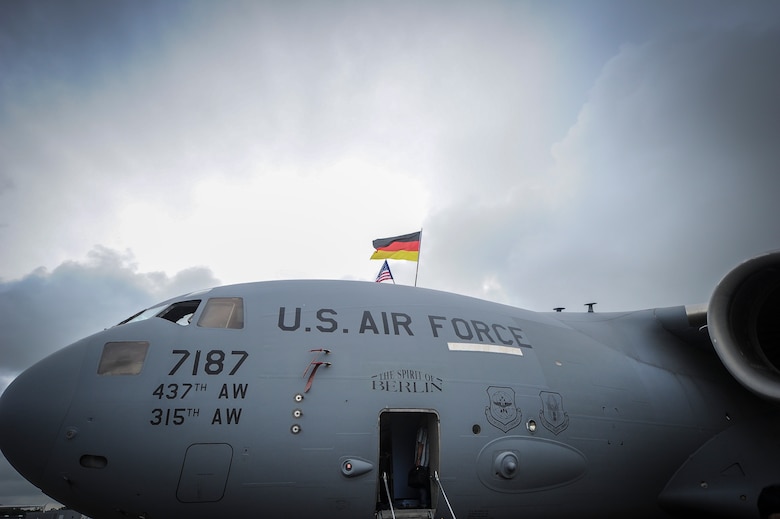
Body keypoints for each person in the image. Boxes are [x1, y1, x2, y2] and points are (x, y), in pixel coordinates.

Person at [414, 424, 430, 507]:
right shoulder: (428, 430)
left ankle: (423, 502)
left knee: (421, 483)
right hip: (427, 461)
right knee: (425, 482)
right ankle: (425, 501)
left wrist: (418, 459)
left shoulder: (422, 430)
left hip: (422, 461)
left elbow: (421, 444)